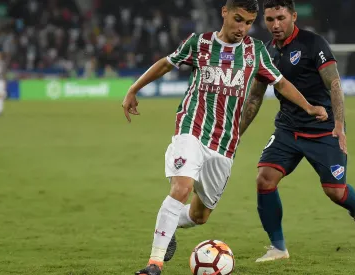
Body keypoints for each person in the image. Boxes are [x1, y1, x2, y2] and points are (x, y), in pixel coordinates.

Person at [121, 1, 328, 274]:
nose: (242, 28)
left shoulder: (255, 52)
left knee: (199, 216)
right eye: (238, 19)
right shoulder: (199, 43)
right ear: (224, 13)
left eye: (248, 22)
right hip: (191, 129)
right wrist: (133, 89)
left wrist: (309, 106)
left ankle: (169, 225)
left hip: (225, 144)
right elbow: (165, 64)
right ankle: (154, 264)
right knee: (181, 187)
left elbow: (281, 83)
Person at [238, 0, 355, 262]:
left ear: (293, 16)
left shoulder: (314, 44)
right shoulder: (266, 53)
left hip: (324, 128)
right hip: (288, 129)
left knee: (335, 191)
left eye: (280, 18)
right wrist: (236, 134)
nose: (275, 25)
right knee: (264, 180)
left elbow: (334, 84)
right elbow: (255, 98)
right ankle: (278, 248)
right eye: (269, 19)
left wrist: (339, 126)